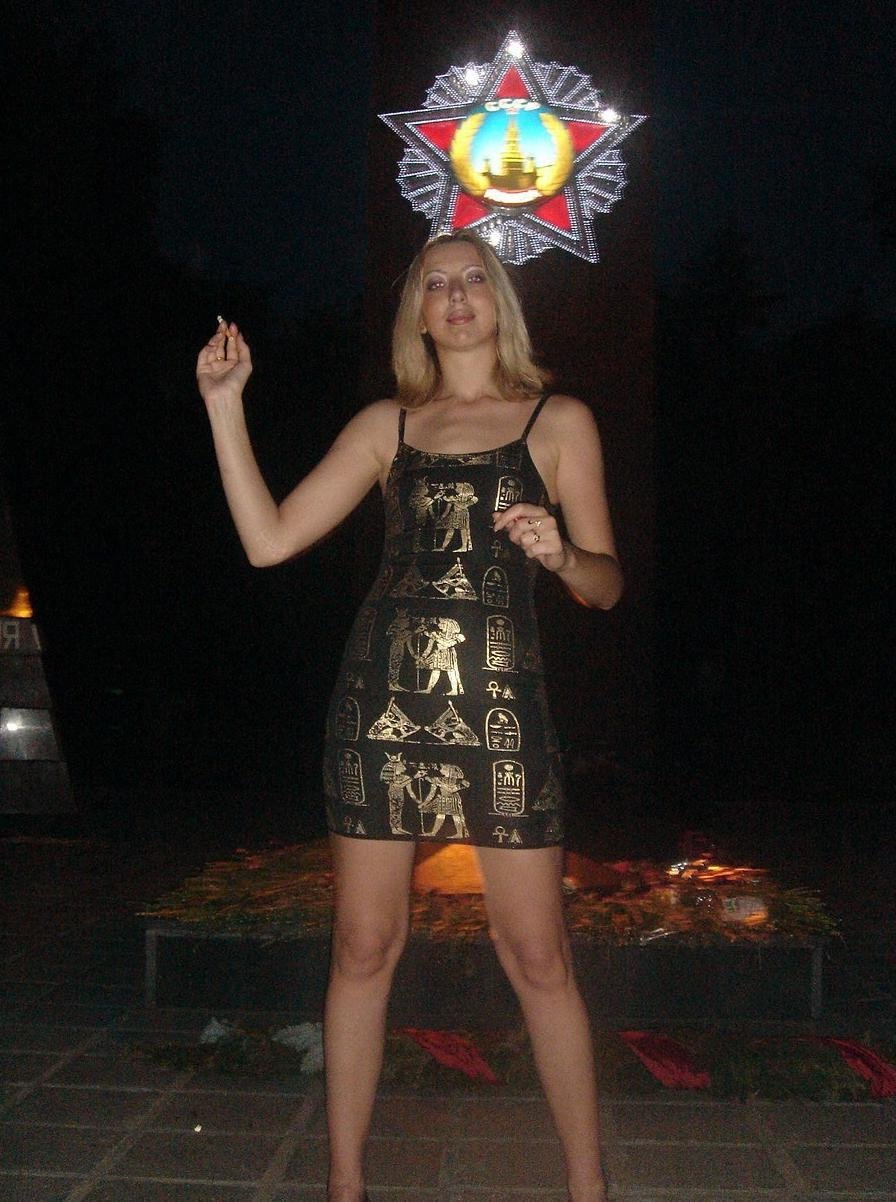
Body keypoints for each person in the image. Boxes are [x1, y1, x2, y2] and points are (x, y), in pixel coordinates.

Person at [196, 231, 624, 1202]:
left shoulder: (559, 420)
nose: (457, 294)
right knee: (362, 946)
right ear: (417, 314)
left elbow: (603, 586)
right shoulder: (385, 425)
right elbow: (268, 541)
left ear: (499, 300)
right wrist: (225, 405)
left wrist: (560, 553)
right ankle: (345, 1184)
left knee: (538, 954)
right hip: (379, 708)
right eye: (436, 283)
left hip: (503, 709)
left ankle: (587, 1188)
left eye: (474, 278)